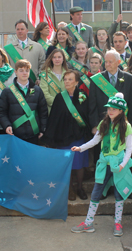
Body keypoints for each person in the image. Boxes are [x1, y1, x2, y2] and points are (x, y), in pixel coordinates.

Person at [71, 93, 132, 237]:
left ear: (121, 111)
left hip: (119, 163)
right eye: (109, 108)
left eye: (114, 108)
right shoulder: (103, 124)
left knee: (119, 192)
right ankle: (88, 222)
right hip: (104, 162)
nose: (110, 111)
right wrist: (81, 148)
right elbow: (95, 141)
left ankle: (118, 222)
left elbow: (129, 148)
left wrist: (123, 164)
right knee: (96, 191)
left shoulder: (126, 126)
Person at [43, 70, 92, 201]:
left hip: (79, 136)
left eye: (70, 79)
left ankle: (80, 188)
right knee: (67, 164)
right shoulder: (60, 97)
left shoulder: (83, 96)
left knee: (79, 164)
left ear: (76, 82)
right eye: (65, 79)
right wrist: (49, 137)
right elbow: (54, 118)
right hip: (63, 137)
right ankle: (69, 188)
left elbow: (87, 115)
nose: (67, 82)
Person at [0, 59, 49, 145]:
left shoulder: (37, 90)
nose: (24, 73)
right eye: (21, 70)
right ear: (15, 72)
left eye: (27, 70)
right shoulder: (7, 91)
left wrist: (43, 129)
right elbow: (1, 112)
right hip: (15, 135)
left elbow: (43, 112)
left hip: (34, 134)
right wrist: (7, 125)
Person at [89, 50, 132, 138]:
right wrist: (95, 125)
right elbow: (92, 105)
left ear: (118, 62)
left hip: (122, 124)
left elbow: (131, 104)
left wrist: (129, 124)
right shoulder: (96, 79)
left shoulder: (130, 79)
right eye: (106, 62)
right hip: (102, 123)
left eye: (110, 62)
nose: (107, 64)